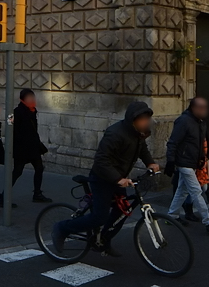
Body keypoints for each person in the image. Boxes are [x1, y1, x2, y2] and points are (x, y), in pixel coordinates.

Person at [51, 100, 161, 255]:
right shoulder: (115, 133)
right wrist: (118, 179)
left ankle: (104, 239)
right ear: (133, 119)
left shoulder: (138, 134)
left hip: (118, 179)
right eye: (143, 119)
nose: (145, 122)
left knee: (122, 211)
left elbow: (142, 149)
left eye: (146, 119)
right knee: (99, 217)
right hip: (102, 179)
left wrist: (150, 163)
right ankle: (62, 228)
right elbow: (102, 160)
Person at [164, 97, 209, 235]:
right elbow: (173, 142)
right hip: (184, 162)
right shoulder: (184, 121)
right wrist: (170, 161)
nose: (204, 111)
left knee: (182, 190)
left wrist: (201, 159)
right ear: (193, 108)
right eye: (201, 108)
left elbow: (200, 143)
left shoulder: (200, 122)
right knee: (196, 191)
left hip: (192, 162)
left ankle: (172, 216)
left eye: (205, 108)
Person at [0, 88, 52, 206]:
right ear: (23, 99)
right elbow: (10, 129)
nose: (32, 100)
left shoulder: (32, 111)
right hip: (22, 149)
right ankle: (3, 197)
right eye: (29, 98)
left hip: (33, 147)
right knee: (17, 172)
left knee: (39, 168)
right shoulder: (15, 112)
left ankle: (37, 193)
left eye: (33, 97)